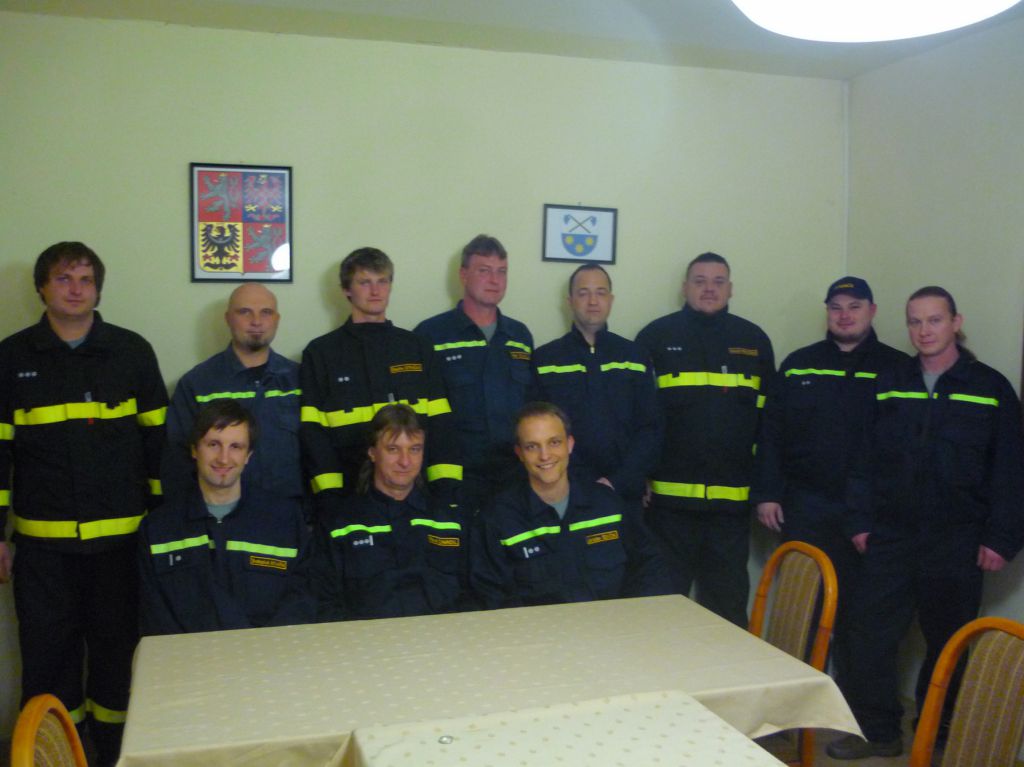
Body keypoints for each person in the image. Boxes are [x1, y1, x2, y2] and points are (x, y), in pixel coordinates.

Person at [827, 287, 1024, 760]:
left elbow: (1011, 469)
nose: (924, 330)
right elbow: (862, 460)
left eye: (934, 320)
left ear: (956, 322)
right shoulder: (889, 381)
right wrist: (859, 522)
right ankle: (878, 732)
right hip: (890, 536)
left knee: (948, 643)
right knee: (871, 636)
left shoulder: (989, 387)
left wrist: (1002, 537)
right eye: (915, 321)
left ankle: (936, 737)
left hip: (958, 540)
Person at [0, 242, 167, 766]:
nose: (76, 290)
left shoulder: (132, 352)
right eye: (63, 278)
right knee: (48, 665)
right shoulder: (11, 358)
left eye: (86, 279)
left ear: (98, 289)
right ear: (42, 288)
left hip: (121, 548)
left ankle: (120, 757)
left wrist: (163, 528)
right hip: (43, 554)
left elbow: (158, 448)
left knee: (120, 664)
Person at [751, 277, 908, 686]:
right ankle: (797, 702)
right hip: (806, 506)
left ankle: (854, 707)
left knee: (864, 618)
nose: (844, 315)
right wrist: (767, 493)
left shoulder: (898, 368)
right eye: (836, 307)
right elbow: (771, 433)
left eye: (854, 306)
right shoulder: (799, 363)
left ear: (872, 311)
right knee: (801, 608)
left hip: (871, 514)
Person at [636, 251, 774, 627]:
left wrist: (765, 490)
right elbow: (639, 418)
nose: (709, 289)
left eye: (718, 282)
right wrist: (639, 476)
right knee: (661, 614)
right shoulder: (655, 337)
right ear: (685, 287)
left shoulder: (754, 340)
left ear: (730, 289)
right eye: (700, 281)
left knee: (726, 615)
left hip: (730, 512)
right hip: (668, 509)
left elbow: (769, 426)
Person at [300, 247, 460, 516]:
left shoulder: (417, 348)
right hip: (348, 496)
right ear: (346, 289)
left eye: (382, 281)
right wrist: (330, 498)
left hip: (416, 496)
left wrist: (446, 490)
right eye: (365, 282)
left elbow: (441, 425)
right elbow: (313, 434)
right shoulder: (321, 353)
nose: (375, 291)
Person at [470, 402, 671, 608]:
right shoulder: (498, 519)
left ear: (570, 444)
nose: (545, 455)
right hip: (538, 628)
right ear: (519, 453)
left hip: (612, 624)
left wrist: (631, 617)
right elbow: (490, 595)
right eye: (532, 446)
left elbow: (650, 567)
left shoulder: (607, 504)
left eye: (554, 442)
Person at [139, 400, 312, 634]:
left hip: (270, 652)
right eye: (213, 444)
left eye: (236, 447)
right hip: (188, 655)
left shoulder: (285, 520)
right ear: (194, 450)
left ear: (248, 455)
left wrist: (262, 647)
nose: (223, 458)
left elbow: (303, 597)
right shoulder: (158, 529)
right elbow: (155, 617)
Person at [311, 403, 468, 619]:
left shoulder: (451, 522)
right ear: (372, 452)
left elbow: (474, 596)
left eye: (414, 449)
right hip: (367, 639)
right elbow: (323, 603)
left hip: (444, 637)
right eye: (393, 449)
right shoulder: (339, 526)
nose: (405, 461)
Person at [415, 235, 533, 512]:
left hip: (513, 473)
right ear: (463, 275)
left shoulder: (519, 336)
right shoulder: (431, 335)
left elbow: (532, 405)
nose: (494, 280)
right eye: (484, 270)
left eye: (501, 271)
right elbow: (417, 415)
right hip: (455, 476)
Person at [162, 283, 302, 505]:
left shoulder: (300, 380)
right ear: (228, 319)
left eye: (266, 312)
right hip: (221, 514)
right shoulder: (198, 384)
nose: (256, 321)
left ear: (277, 319)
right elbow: (178, 459)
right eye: (245, 312)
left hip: (292, 513)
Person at [532, 264, 661, 502]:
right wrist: (575, 481)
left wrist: (620, 480)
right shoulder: (545, 359)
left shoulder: (635, 356)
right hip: (564, 491)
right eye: (583, 293)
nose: (593, 301)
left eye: (600, 293)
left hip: (624, 492)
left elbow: (650, 428)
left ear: (611, 300)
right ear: (570, 301)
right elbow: (539, 432)